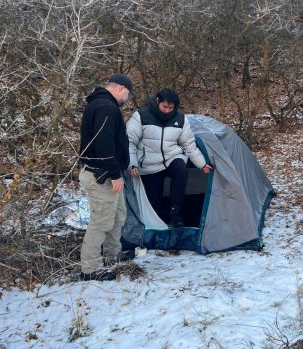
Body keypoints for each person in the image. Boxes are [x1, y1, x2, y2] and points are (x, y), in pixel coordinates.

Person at [127, 88, 212, 227]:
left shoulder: (180, 119)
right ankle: (161, 218)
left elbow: (189, 144)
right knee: (154, 203)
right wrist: (132, 163)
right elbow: (129, 141)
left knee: (181, 169)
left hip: (171, 157)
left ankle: (175, 210)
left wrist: (202, 164)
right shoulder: (141, 116)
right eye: (164, 107)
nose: (167, 110)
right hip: (149, 163)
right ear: (157, 101)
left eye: (170, 108)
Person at [78, 73, 135, 281]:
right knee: (101, 222)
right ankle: (90, 269)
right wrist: (114, 174)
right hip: (102, 176)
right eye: (128, 95)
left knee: (118, 215)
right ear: (120, 88)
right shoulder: (106, 108)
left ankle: (112, 256)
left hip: (109, 174)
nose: (127, 100)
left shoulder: (101, 104)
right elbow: (103, 146)